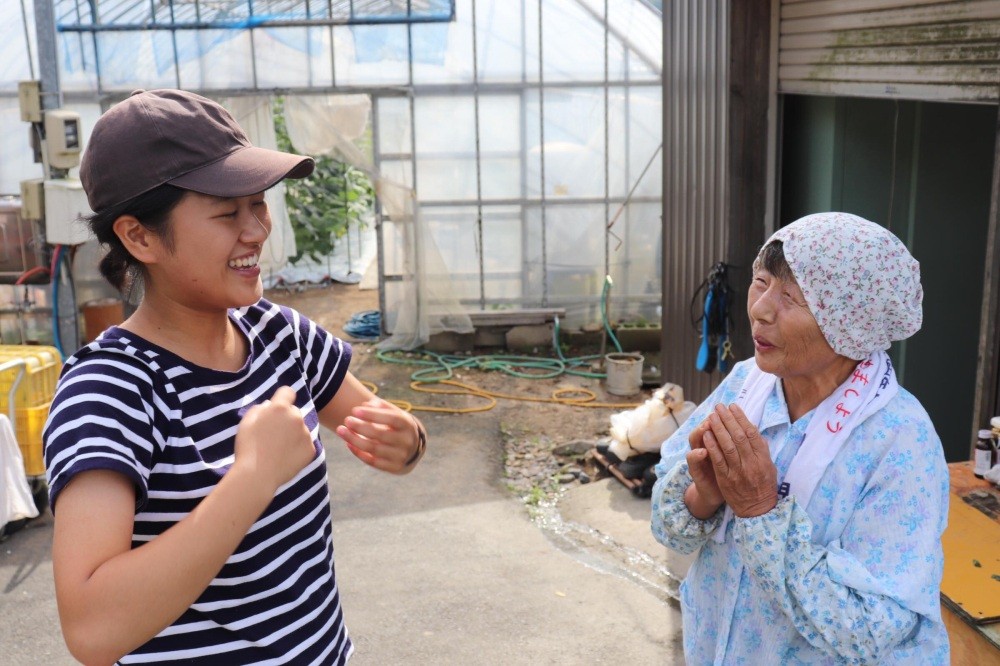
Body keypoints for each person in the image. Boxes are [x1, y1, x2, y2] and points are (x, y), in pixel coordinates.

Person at [42, 89, 427, 665]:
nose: (256, 231)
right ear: (139, 236)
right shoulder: (109, 392)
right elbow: (93, 630)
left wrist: (408, 441)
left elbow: (386, 423)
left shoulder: (278, 334)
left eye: (259, 205)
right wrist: (252, 477)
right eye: (227, 213)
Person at [651, 212, 950, 664]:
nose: (760, 308)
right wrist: (704, 495)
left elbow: (870, 630)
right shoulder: (747, 385)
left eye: (791, 296)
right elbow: (669, 525)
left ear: (852, 321)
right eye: (761, 281)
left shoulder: (900, 441)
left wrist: (759, 510)